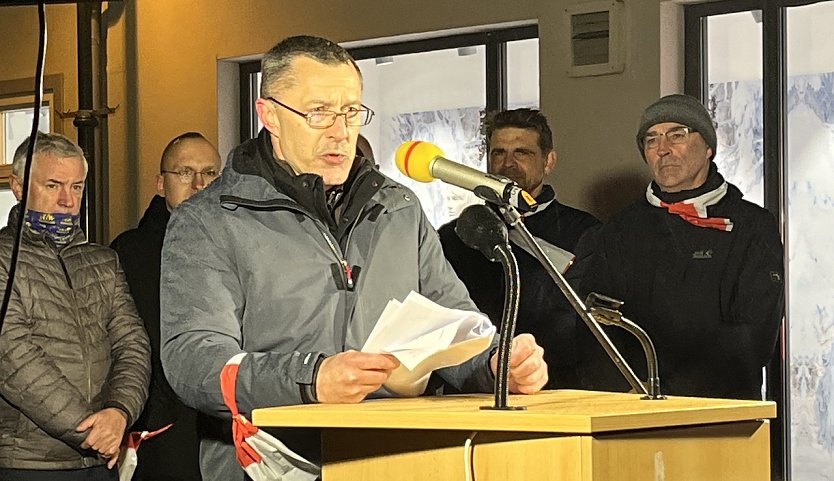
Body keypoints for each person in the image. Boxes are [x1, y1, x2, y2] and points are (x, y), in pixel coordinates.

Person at [159, 35, 548, 481]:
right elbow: (193, 360)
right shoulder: (208, 221)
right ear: (269, 115)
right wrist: (311, 378)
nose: (341, 131)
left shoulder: (398, 208)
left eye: (350, 111)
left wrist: (497, 364)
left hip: (394, 461)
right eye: (319, 112)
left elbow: (452, 322)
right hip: (264, 465)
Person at [572, 94, 784, 399]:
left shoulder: (753, 226)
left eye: (677, 135)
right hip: (633, 409)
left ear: (709, 146)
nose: (663, 149)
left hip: (722, 412)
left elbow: (754, 336)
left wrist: (674, 393)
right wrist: (631, 393)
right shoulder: (617, 230)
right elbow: (594, 328)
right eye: (651, 139)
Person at [0, 132, 150, 481]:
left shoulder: (104, 260)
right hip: (28, 462)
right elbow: (13, 356)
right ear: (18, 187)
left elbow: (133, 346)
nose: (68, 200)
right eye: (53, 186)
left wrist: (119, 412)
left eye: (77, 187)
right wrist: (92, 432)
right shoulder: (4, 258)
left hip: (102, 458)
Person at [438, 108, 600, 389]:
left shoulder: (585, 233)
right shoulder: (454, 236)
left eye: (522, 153)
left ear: (548, 160)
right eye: (499, 153)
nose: (508, 164)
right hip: (475, 389)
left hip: (559, 390)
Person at [110, 132, 222, 481]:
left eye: (211, 173)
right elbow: (126, 345)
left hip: (227, 425)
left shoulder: (241, 246)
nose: (199, 183)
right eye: (185, 172)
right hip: (161, 431)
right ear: (161, 183)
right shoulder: (130, 252)